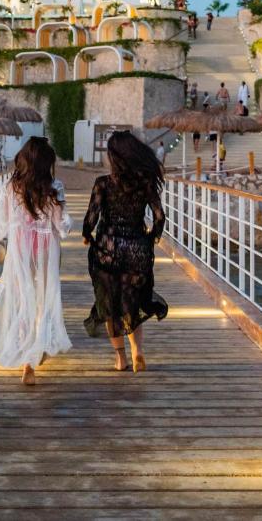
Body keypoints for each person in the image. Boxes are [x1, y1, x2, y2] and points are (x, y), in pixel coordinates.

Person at [0, 137, 72, 386]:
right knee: (43, 299)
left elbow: (2, 228)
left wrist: (14, 229)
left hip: (20, 252)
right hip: (46, 251)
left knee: (22, 299)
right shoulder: (54, 187)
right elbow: (62, 227)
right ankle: (36, 349)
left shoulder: (11, 187)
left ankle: (26, 357)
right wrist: (66, 221)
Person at [82, 131, 168, 372]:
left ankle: (121, 358)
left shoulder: (103, 183)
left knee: (110, 306)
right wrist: (151, 238)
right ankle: (138, 352)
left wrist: (87, 235)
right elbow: (159, 216)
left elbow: (92, 217)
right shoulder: (145, 182)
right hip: (136, 250)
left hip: (107, 251)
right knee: (132, 301)